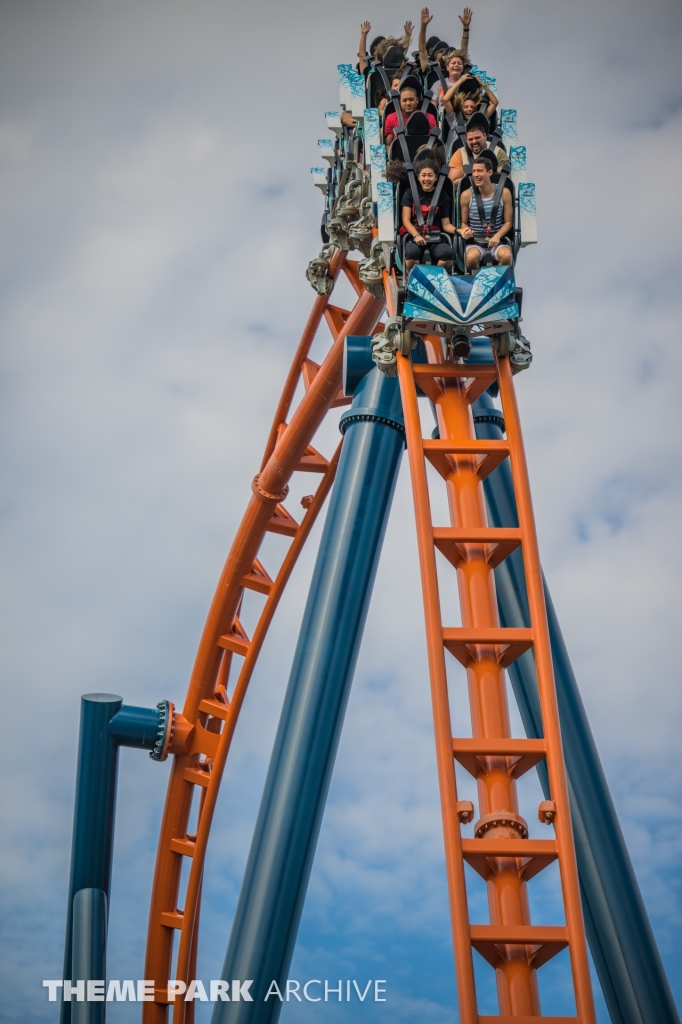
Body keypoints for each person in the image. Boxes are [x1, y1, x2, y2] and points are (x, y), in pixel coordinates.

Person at [457, 154, 513, 272]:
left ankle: (496, 281)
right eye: (474, 171)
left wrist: (498, 235)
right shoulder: (466, 195)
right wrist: (466, 230)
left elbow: (508, 222)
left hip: (497, 240)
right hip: (476, 241)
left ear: (490, 172)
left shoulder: (504, 192)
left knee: (507, 256)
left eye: (480, 171)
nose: (476, 175)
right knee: (471, 258)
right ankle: (477, 282)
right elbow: (463, 222)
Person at [401, 158, 455, 272]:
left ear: (436, 178)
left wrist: (459, 230)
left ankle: (433, 276)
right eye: (423, 175)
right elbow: (405, 219)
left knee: (448, 255)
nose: (426, 179)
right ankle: (418, 276)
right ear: (418, 177)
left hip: (436, 236)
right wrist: (416, 235)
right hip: (415, 235)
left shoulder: (443, 196)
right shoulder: (410, 193)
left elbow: (446, 224)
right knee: (411, 254)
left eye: (430, 175)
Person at [448, 113, 507, 185]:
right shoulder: (460, 154)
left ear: (484, 136)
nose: (474, 141)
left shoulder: (498, 152)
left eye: (477, 138)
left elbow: (505, 180)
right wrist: (478, 178)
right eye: (470, 139)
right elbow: (452, 182)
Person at [418, 7, 472, 73]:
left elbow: (463, 51)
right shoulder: (429, 71)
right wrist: (423, 25)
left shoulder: (455, 73)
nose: (441, 62)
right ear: (434, 61)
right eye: (439, 60)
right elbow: (421, 49)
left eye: (444, 59)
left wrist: (466, 28)